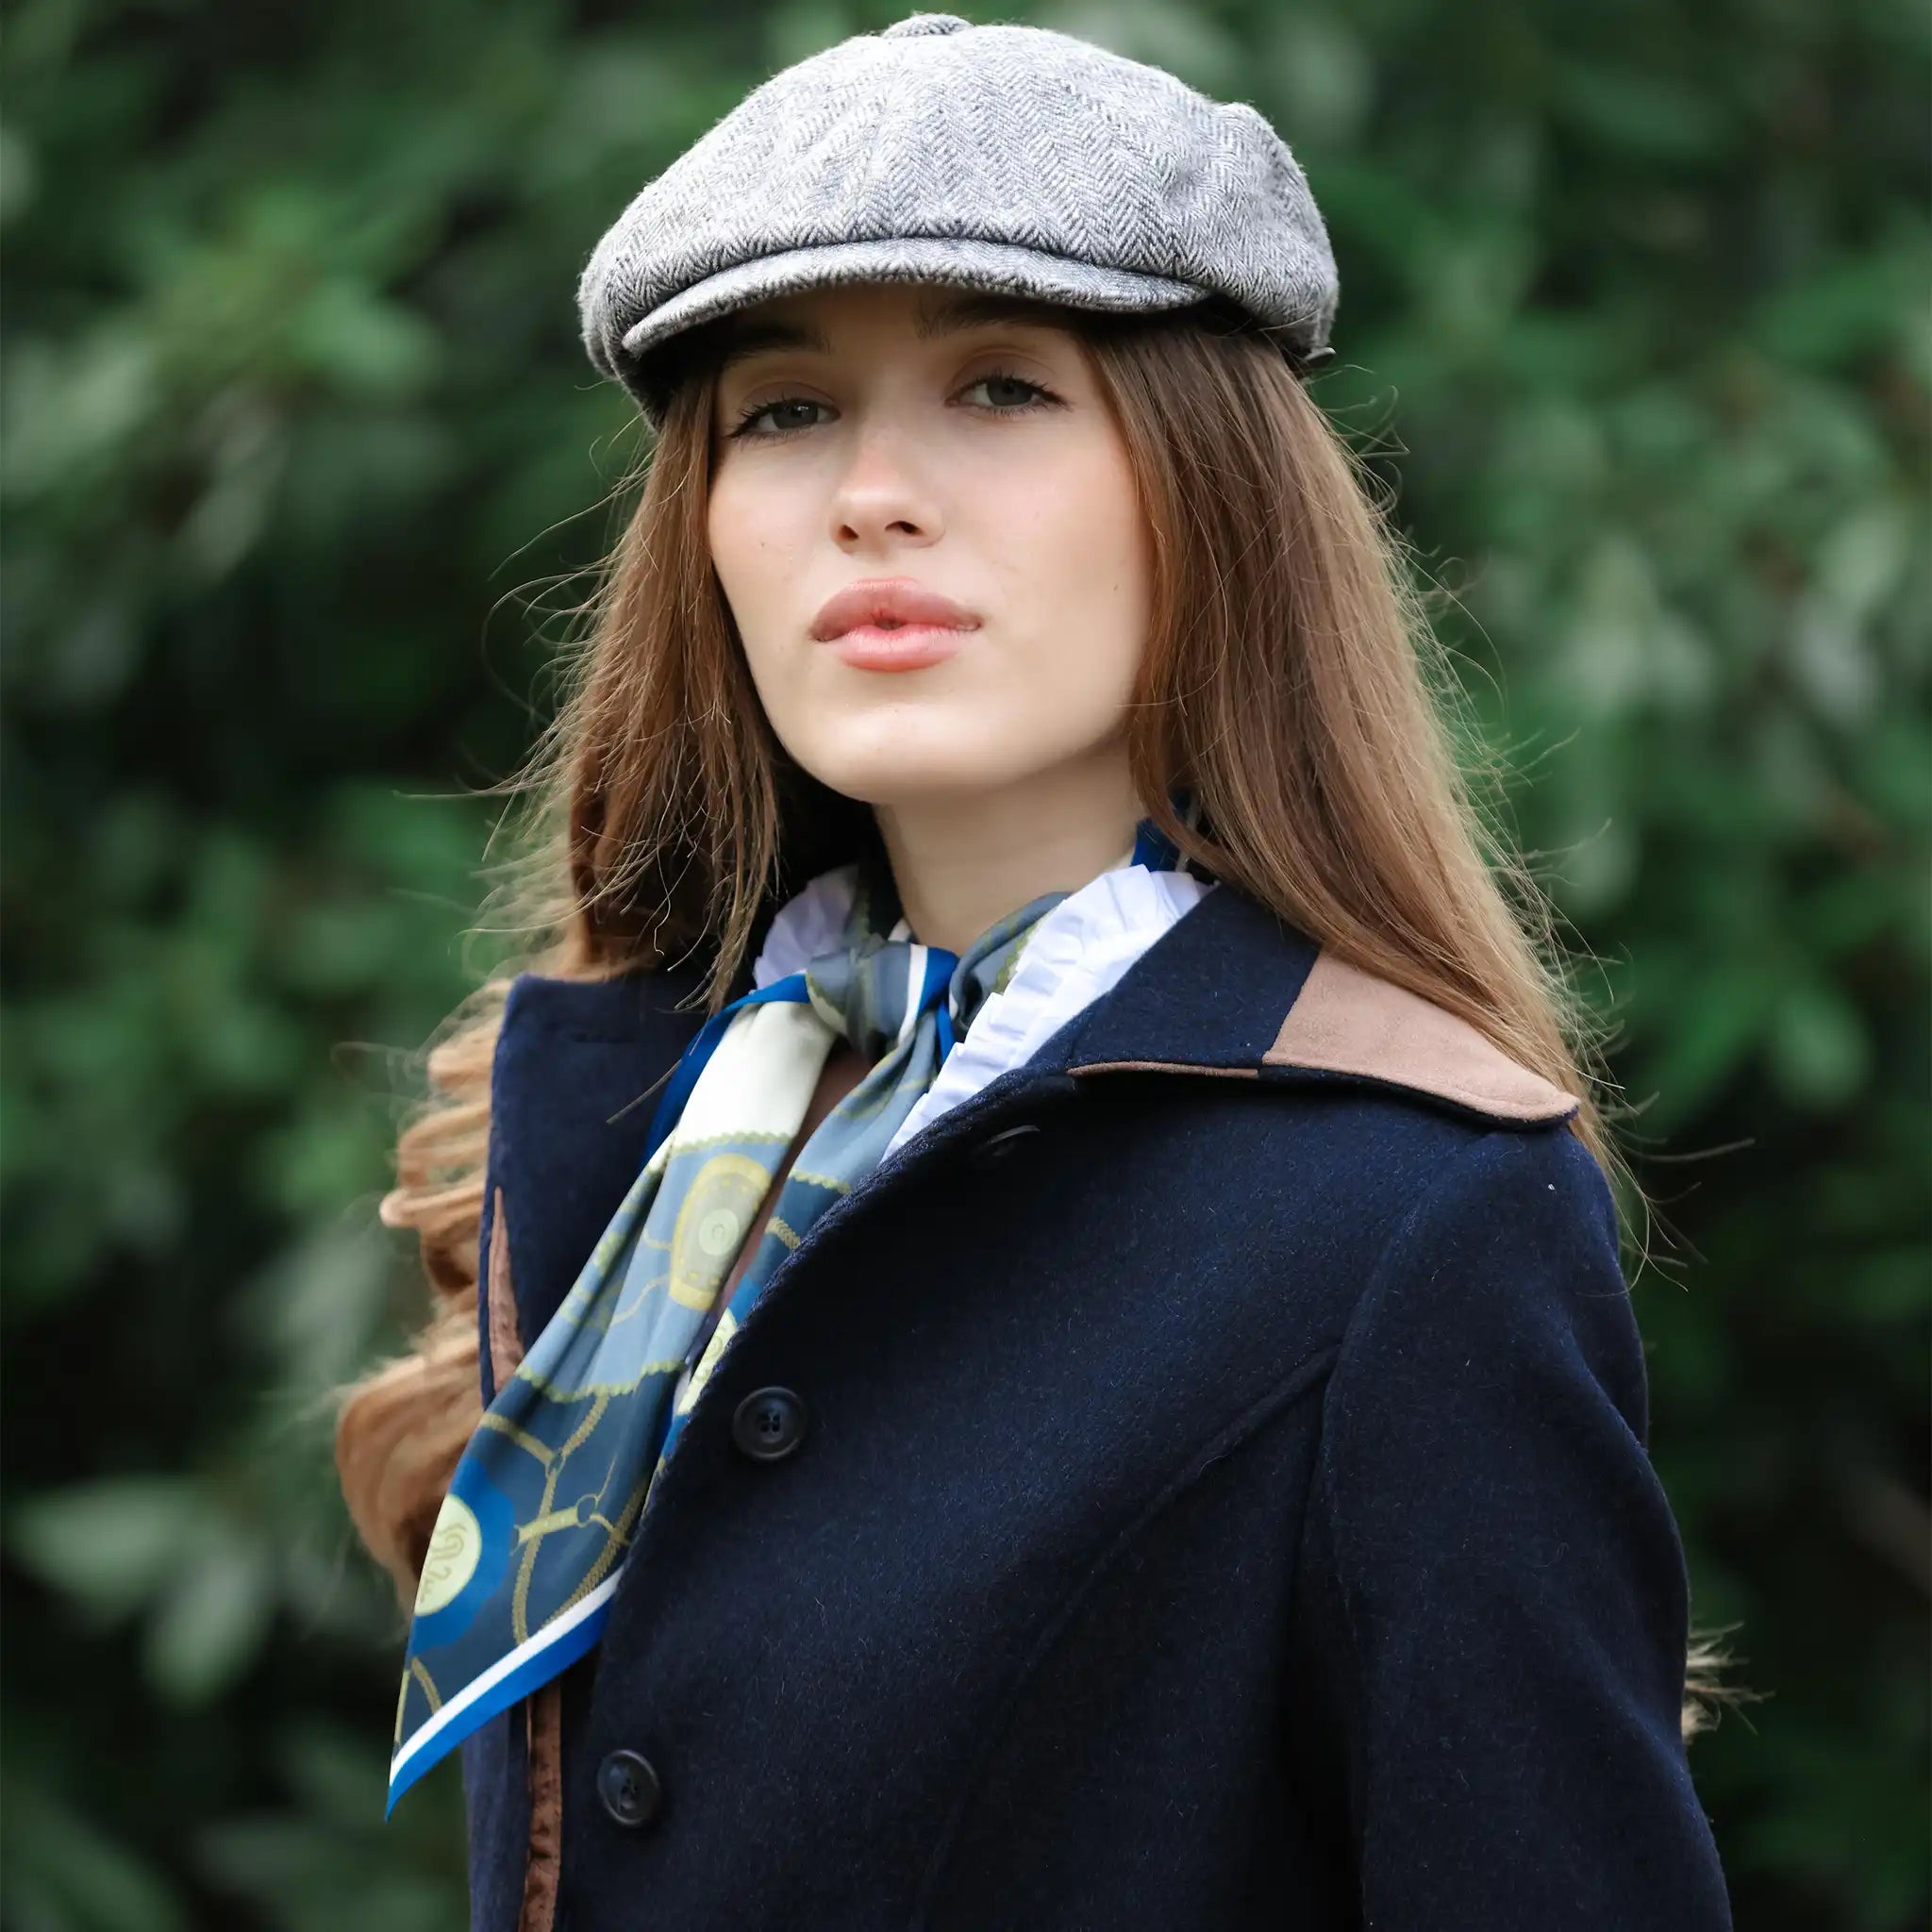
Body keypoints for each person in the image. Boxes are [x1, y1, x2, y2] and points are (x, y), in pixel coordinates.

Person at [334, 13, 1735, 1930]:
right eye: (785, 410)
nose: (872, 493)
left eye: (998, 389)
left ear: (1208, 492)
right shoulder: (642, 1127)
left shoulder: (1414, 1210)